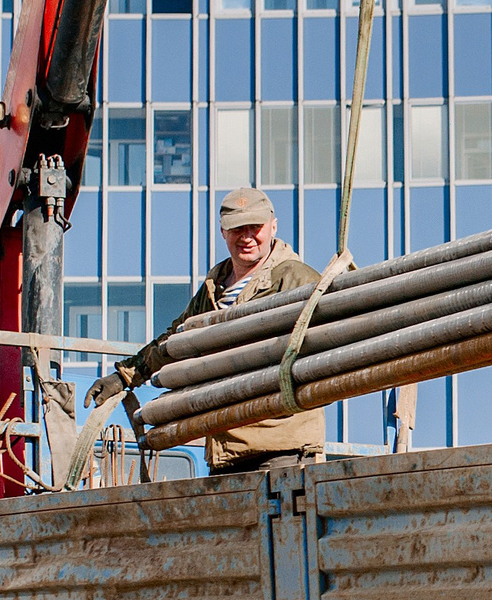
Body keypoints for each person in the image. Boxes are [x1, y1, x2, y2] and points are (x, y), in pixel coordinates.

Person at [90, 187, 329, 473]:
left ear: (273, 227)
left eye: (256, 227)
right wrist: (125, 376)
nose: (247, 236)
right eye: (237, 229)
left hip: (281, 448)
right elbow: (176, 340)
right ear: (223, 232)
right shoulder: (214, 288)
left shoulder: (295, 279)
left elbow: (337, 325)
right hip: (226, 447)